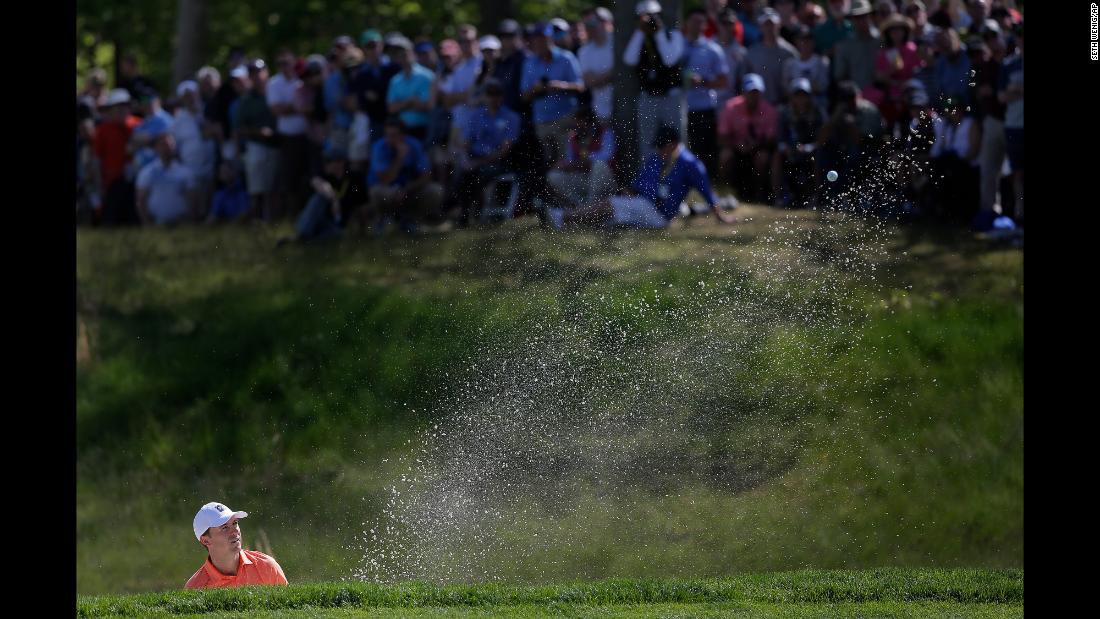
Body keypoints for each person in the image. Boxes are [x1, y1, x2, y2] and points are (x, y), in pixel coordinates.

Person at [551, 125, 735, 229]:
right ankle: (568, 223)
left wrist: (721, 216)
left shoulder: (690, 164)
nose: (659, 150)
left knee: (609, 205)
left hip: (659, 214)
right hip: (643, 203)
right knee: (608, 218)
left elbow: (706, 191)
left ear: (673, 145)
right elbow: (640, 182)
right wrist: (628, 191)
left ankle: (561, 217)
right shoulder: (656, 158)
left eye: (662, 146)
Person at [452, 79, 521, 225]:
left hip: (500, 162)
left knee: (476, 173)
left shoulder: (511, 117)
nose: (492, 98)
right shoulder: (475, 116)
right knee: (461, 171)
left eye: (496, 94)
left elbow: (505, 151)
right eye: (489, 94)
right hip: (475, 159)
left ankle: (472, 211)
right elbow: (466, 144)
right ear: (484, 96)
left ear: (502, 96)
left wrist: (476, 163)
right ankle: (465, 212)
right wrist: (465, 159)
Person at [623, 0, 686, 158]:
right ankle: (649, 181)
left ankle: (679, 180)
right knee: (647, 143)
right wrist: (640, 31)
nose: (649, 20)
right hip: (648, 97)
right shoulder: (639, 38)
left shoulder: (673, 35)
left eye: (653, 16)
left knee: (677, 141)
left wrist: (658, 32)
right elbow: (629, 60)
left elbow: (669, 59)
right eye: (643, 17)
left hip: (671, 98)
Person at [521, 22, 585, 168]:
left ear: (550, 38)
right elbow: (524, 96)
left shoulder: (566, 58)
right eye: (536, 38)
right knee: (547, 165)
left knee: (567, 163)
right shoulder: (529, 63)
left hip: (565, 120)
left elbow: (580, 86)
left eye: (542, 38)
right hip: (542, 122)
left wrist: (559, 85)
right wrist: (535, 89)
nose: (538, 42)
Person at [365, 118, 444, 234]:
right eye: (387, 135)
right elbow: (385, 179)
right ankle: (385, 219)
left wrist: (407, 190)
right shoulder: (379, 147)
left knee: (436, 190)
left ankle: (412, 219)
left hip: (409, 190)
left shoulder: (414, 145)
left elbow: (426, 175)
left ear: (403, 135)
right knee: (375, 192)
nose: (389, 139)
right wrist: (400, 159)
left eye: (394, 135)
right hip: (387, 190)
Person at [185, 502, 288, 590]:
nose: (235, 531)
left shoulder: (267, 566)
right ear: (205, 540)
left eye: (235, 523)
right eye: (225, 528)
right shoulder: (195, 587)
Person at [682, 8, 730, 176]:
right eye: (693, 21)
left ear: (704, 25)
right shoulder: (677, 45)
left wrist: (703, 81)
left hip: (703, 108)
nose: (696, 25)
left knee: (702, 152)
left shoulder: (712, 49)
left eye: (700, 22)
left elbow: (724, 81)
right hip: (681, 107)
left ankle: (703, 185)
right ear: (686, 23)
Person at [718, 74, 778, 203]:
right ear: (743, 92)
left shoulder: (769, 110)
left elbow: (771, 140)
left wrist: (755, 145)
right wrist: (736, 145)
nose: (753, 96)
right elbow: (722, 136)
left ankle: (759, 194)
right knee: (725, 156)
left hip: (758, 148)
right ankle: (728, 193)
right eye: (750, 92)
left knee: (762, 158)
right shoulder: (731, 107)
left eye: (756, 92)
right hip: (735, 147)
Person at [546, 107, 616, 211]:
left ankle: (591, 209)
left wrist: (579, 163)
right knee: (553, 176)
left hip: (606, 178)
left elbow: (606, 157)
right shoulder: (573, 137)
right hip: (583, 177)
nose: (576, 127)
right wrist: (563, 165)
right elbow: (570, 161)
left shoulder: (606, 132)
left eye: (579, 123)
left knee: (599, 166)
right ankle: (578, 208)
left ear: (588, 122)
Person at [236, 59, 280, 220]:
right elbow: (240, 127)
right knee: (257, 187)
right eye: (253, 74)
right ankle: (258, 220)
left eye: (259, 72)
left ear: (266, 72)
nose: (257, 77)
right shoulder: (246, 100)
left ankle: (272, 220)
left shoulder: (276, 90)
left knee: (273, 186)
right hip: (257, 145)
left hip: (278, 144)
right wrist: (258, 131)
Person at [773, 78, 825, 208]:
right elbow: (780, 138)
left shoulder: (817, 113)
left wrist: (808, 147)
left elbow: (822, 138)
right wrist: (786, 147)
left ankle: (816, 197)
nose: (801, 100)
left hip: (811, 151)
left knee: (817, 158)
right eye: (798, 96)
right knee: (777, 156)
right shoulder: (785, 113)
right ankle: (778, 197)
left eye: (804, 96)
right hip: (791, 151)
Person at [135, 133, 196, 226]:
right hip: (156, 224)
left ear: (174, 147)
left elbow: (192, 199)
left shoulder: (185, 172)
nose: (166, 148)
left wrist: (190, 221)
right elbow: (141, 199)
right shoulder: (147, 172)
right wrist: (147, 223)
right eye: (162, 145)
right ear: (156, 148)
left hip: (181, 224)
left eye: (169, 145)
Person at [386, 36, 436, 142]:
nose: (403, 55)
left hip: (424, 129)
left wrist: (401, 104)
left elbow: (429, 106)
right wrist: (410, 102)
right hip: (402, 132)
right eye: (399, 53)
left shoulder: (428, 76)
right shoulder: (395, 80)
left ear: (412, 53)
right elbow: (391, 108)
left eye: (405, 52)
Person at [745, 8, 798, 105]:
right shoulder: (751, 53)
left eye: (772, 24)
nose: (769, 28)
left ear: (779, 25)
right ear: (760, 27)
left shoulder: (790, 53)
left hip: (783, 105)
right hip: (758, 107)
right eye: (766, 24)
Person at [577, 7, 615, 126]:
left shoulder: (617, 43)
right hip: (602, 112)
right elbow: (589, 81)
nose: (589, 27)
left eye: (592, 23)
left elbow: (623, 72)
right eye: (586, 24)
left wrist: (599, 78)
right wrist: (611, 75)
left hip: (626, 108)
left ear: (604, 22)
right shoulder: (584, 51)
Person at [833, 0, 882, 91]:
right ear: (852, 19)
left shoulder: (881, 41)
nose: (860, 20)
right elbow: (839, 75)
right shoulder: (845, 46)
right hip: (856, 97)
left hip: (881, 93)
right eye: (856, 17)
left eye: (863, 16)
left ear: (870, 16)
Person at [782, 25, 831, 114]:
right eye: (802, 39)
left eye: (808, 39)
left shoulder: (822, 62)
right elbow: (786, 88)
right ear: (796, 41)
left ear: (813, 42)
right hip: (795, 107)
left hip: (816, 106)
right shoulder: (789, 64)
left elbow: (823, 86)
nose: (805, 42)